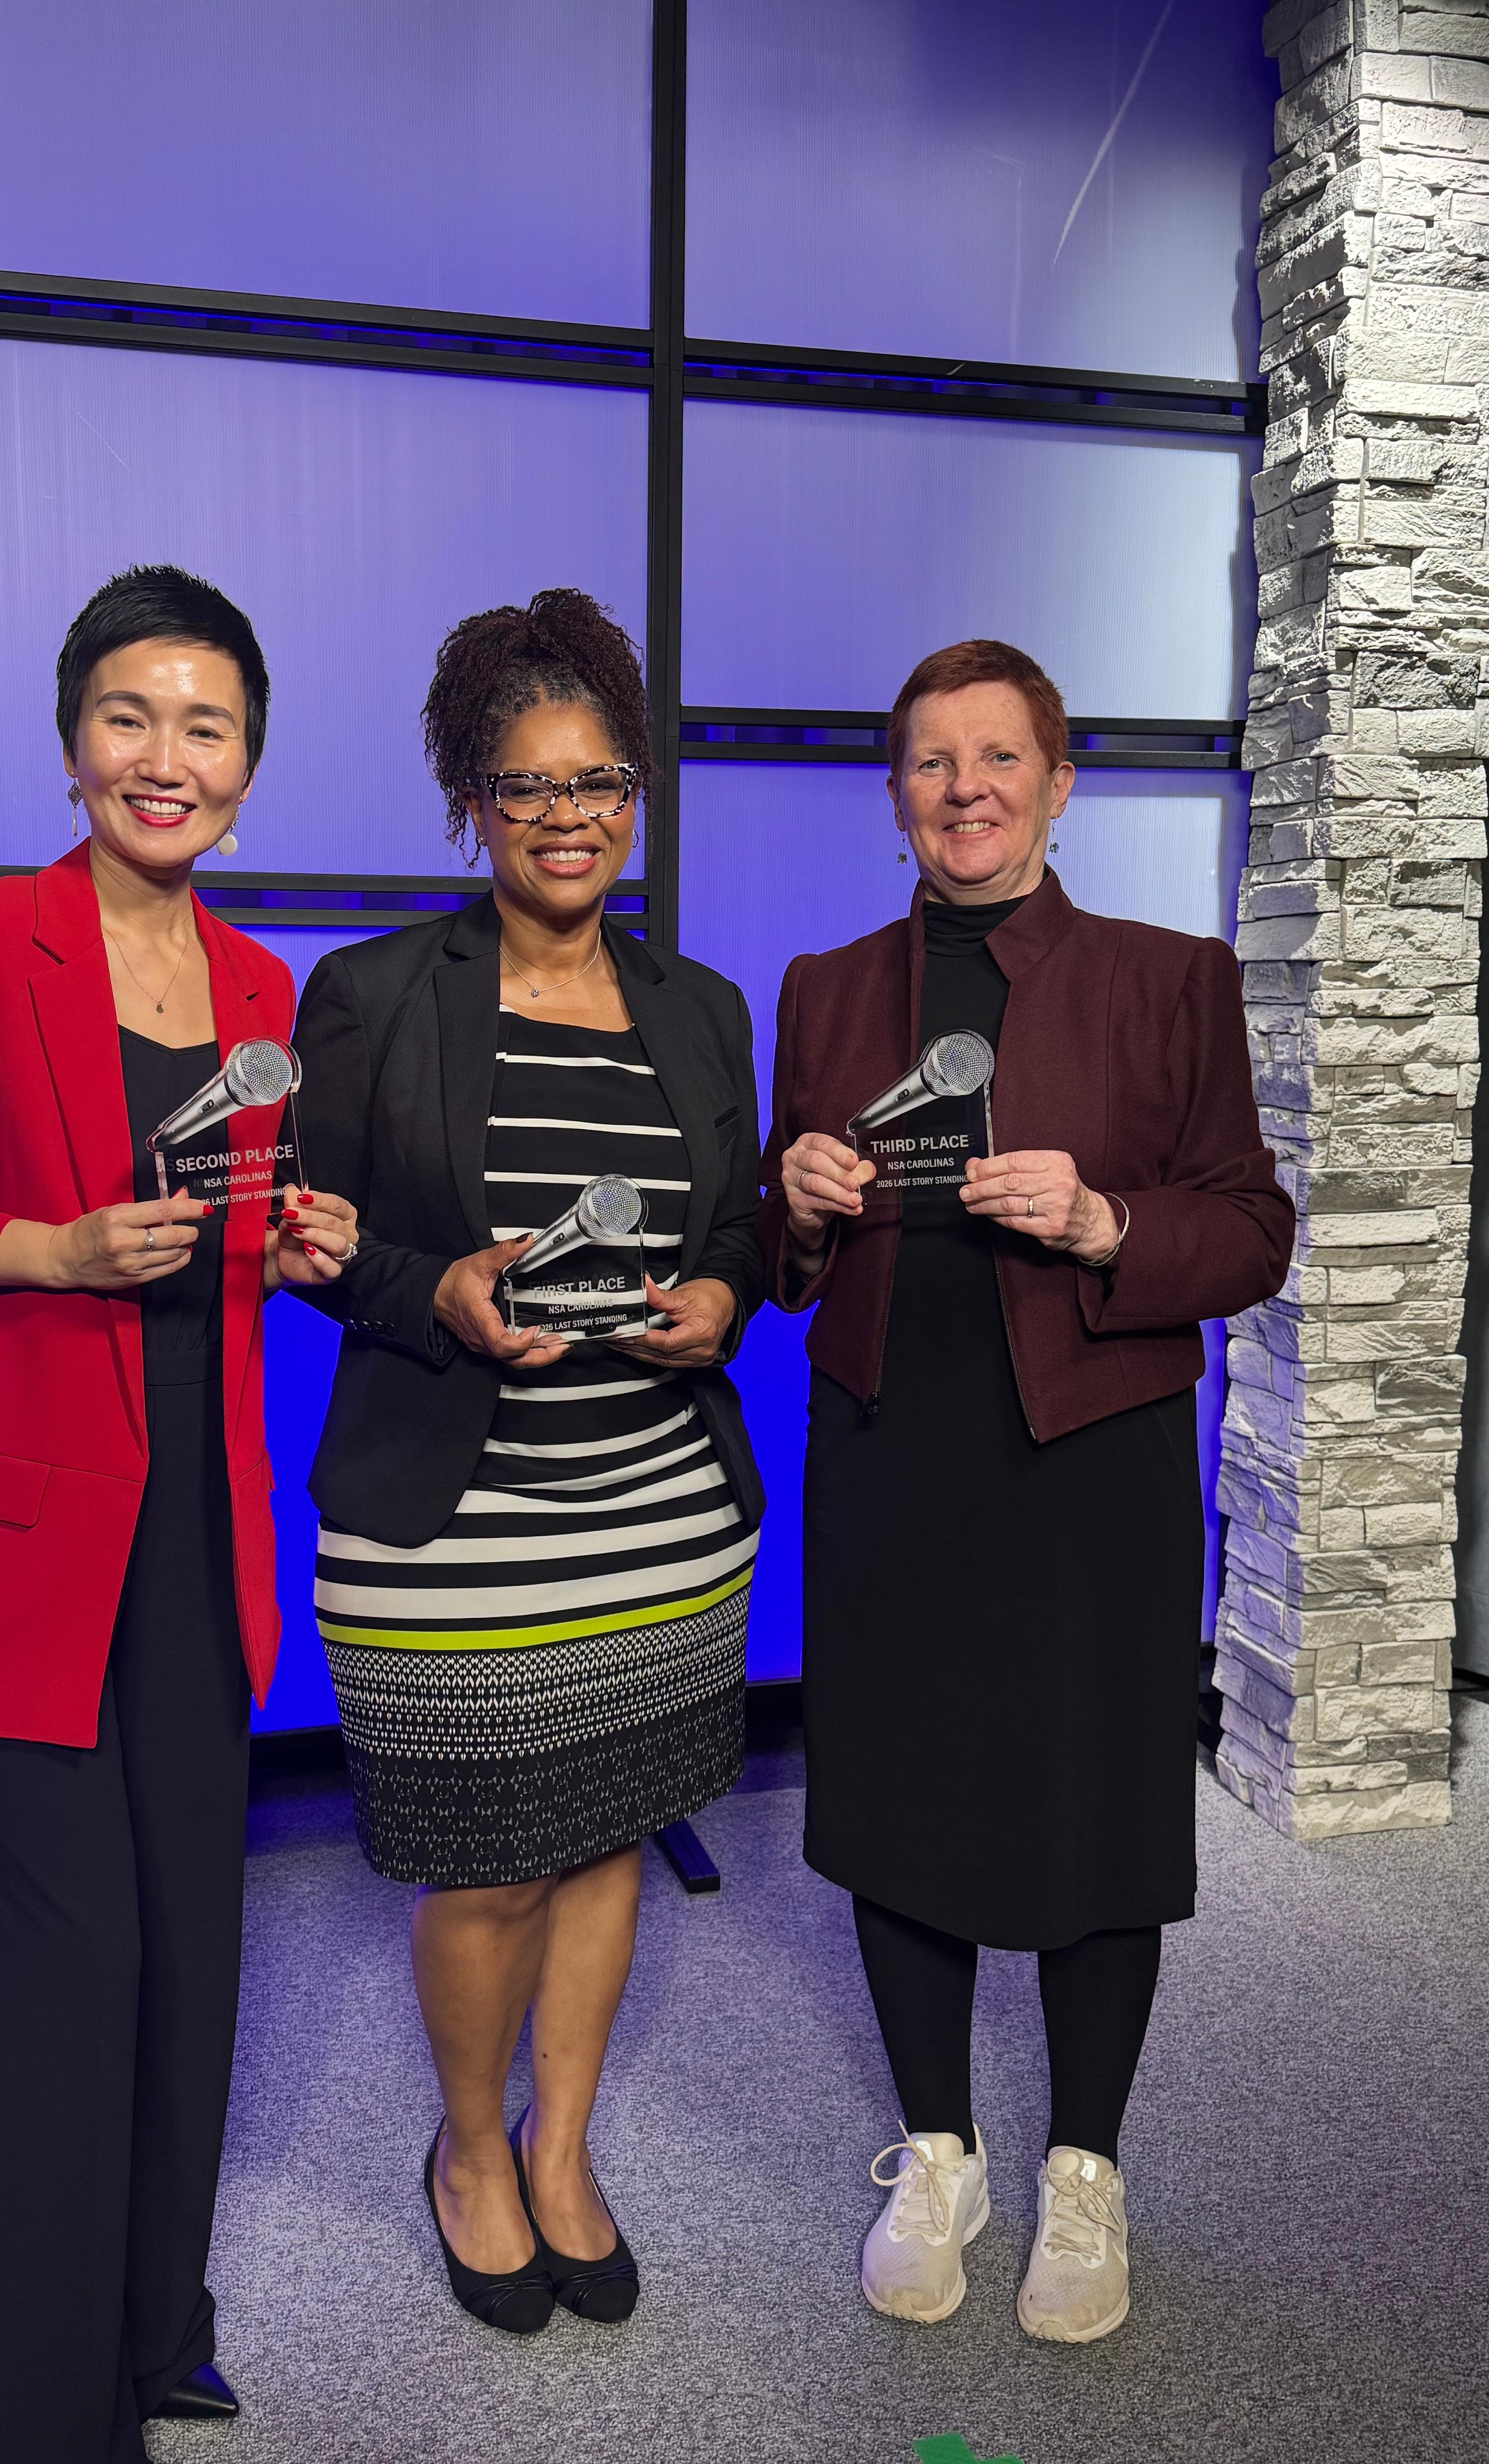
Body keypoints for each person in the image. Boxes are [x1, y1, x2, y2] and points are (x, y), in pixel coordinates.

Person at [0, 566, 356, 2463]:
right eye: (132, 715)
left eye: (207, 725)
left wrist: (291, 1244)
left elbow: (218, 1251)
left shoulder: (263, 990)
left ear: (249, 767)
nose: (166, 755)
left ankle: (154, 2324)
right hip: (10, 1544)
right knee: (61, 1990)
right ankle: (47, 2426)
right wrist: (38, 1245)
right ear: (70, 743)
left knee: (195, 1950)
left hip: (195, 1537)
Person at [762, 638, 1294, 2345]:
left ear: (1061, 787)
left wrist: (1108, 1224)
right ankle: (939, 2150)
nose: (966, 789)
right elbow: (775, 1266)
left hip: (1086, 1465)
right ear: (897, 793)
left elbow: (1253, 1230)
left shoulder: (1167, 979)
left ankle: (1084, 2167)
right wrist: (798, 1198)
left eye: (1000, 758)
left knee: (1096, 1816)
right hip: (888, 1453)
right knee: (900, 1808)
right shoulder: (827, 987)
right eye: (931, 761)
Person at [291, 587, 764, 2335]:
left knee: (608, 1841)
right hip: (451, 1517)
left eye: (601, 782)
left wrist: (728, 1286)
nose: (570, 817)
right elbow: (314, 1242)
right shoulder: (374, 997)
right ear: (468, 804)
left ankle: (565, 2144)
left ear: (634, 795)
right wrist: (445, 1295)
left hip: (655, 1511)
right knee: (483, 1864)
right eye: (526, 786)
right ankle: (470, 2153)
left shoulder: (700, 1007)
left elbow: (746, 1226)